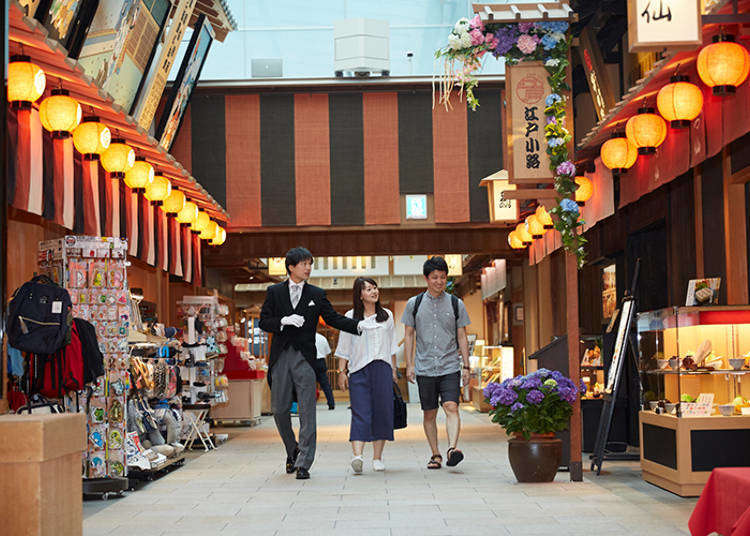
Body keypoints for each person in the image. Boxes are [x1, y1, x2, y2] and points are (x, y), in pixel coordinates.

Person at [259, 247, 378, 480]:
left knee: (307, 410)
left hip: (306, 357)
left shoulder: (316, 293)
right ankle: (292, 448)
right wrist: (283, 321)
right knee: (279, 410)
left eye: (310, 264)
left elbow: (333, 318)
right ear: (291, 267)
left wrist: (357, 325)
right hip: (281, 356)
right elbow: (264, 321)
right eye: (304, 264)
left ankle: (304, 462)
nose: (308, 268)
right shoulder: (274, 292)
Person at [402, 256, 471, 470]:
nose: (439, 281)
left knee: (451, 406)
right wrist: (410, 364)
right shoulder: (414, 304)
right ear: (426, 279)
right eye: (434, 277)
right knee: (429, 413)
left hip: (450, 365)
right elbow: (409, 335)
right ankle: (435, 454)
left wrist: (467, 366)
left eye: (442, 277)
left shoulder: (455, 303)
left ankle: (451, 449)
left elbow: (461, 336)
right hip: (424, 367)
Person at [335, 277, 398, 474]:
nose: (374, 291)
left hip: (382, 368)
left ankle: (377, 458)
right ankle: (357, 456)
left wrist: (394, 371)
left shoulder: (386, 315)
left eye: (375, 288)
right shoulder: (351, 316)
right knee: (360, 411)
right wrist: (341, 371)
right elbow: (344, 346)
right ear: (360, 294)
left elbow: (392, 345)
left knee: (382, 411)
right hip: (359, 370)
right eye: (368, 289)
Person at [314, 332, 336, 410]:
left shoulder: (306, 336)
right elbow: (327, 353)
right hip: (321, 361)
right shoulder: (322, 338)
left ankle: (310, 404)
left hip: (309, 362)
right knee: (326, 385)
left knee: (309, 384)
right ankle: (331, 403)